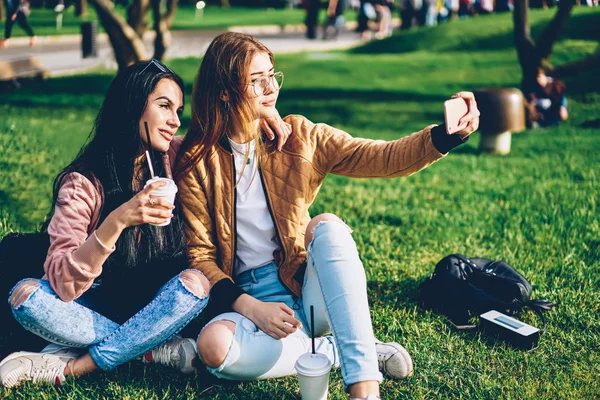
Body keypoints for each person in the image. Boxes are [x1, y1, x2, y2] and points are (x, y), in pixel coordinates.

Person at [175, 32, 480, 400]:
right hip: (245, 298)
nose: (270, 87)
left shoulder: (300, 136)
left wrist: (443, 137)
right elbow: (201, 256)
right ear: (224, 91)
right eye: (256, 81)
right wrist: (252, 308)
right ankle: (344, 348)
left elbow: (380, 157)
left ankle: (364, 387)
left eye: (272, 74)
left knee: (326, 226)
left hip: (306, 287)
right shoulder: (197, 162)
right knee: (213, 348)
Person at [0, 60, 212, 388]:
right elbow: (63, 285)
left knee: (196, 283)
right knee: (25, 297)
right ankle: (151, 349)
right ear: (132, 104)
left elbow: (226, 132)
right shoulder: (83, 183)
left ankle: (74, 366)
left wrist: (269, 114)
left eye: (178, 110)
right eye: (164, 106)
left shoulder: (172, 156)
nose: (174, 120)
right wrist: (118, 220)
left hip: (155, 302)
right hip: (95, 304)